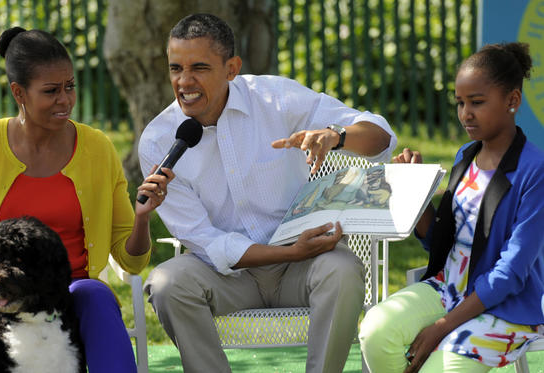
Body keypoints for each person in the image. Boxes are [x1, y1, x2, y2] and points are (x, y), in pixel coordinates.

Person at [138, 13, 397, 373]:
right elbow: (206, 241)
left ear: (231, 68)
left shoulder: (275, 97)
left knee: (343, 269)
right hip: (227, 274)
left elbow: (381, 137)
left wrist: (337, 136)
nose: (184, 81)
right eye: (175, 68)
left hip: (302, 265)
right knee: (167, 283)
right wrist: (286, 250)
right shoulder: (158, 141)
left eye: (199, 67)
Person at [0, 27, 173, 372]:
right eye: (51, 91)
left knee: (96, 296)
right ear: (18, 92)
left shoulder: (98, 148)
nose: (65, 100)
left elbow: (131, 262)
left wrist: (142, 217)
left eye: (70, 87)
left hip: (68, 292)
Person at [359, 42, 544, 373]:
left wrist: (442, 327)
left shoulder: (535, 170)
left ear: (512, 101)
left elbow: (511, 274)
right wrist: (413, 188)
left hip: (506, 307)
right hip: (449, 287)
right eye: (460, 103)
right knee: (376, 329)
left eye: (477, 102)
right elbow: (441, 240)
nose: (465, 114)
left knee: (443, 367)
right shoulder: (465, 156)